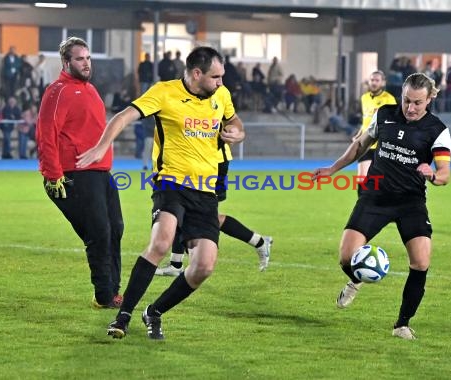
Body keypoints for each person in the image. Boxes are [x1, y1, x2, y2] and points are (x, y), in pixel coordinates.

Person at [76, 46, 245, 340]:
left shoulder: (222, 95)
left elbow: (235, 121)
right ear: (196, 74)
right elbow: (124, 116)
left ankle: (153, 312)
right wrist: (102, 146)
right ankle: (122, 317)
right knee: (161, 241)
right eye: (215, 77)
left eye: (222, 77)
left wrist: (237, 133)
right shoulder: (164, 92)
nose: (220, 82)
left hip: (205, 191)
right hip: (171, 184)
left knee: (203, 266)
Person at [312, 73, 451, 340]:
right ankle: (356, 278)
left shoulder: (437, 130)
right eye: (406, 100)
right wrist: (333, 168)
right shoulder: (384, 114)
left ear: (430, 99)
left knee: (421, 262)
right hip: (374, 196)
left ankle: (402, 324)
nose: (410, 108)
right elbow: (359, 146)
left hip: (410, 201)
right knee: (345, 257)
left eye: (417, 103)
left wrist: (432, 175)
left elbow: (445, 173)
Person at [36, 36, 124, 309]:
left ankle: (113, 290)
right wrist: (52, 176)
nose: (86, 64)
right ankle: (104, 295)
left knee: (115, 229)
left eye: (88, 58)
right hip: (76, 173)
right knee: (98, 232)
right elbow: (45, 134)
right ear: (66, 62)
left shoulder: (90, 90)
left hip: (101, 173)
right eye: (79, 59)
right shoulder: (58, 90)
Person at [155, 144, 273, 276]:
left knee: (204, 217)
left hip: (211, 161)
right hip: (195, 160)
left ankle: (259, 241)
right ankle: (175, 264)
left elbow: (227, 127)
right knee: (181, 211)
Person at [355, 71, 397, 180]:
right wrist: (358, 135)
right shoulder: (364, 98)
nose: (374, 83)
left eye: (377, 80)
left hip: (380, 144)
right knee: (361, 179)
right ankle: (363, 198)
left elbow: (393, 123)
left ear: (383, 83)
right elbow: (366, 120)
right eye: (372, 80)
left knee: (378, 180)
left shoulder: (389, 99)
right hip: (365, 143)